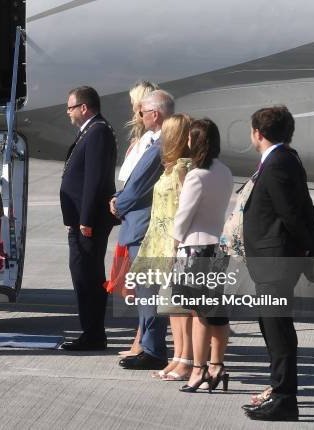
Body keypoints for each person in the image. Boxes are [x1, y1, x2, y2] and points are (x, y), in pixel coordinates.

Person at [242, 105, 314, 421]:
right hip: (271, 261)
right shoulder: (283, 158)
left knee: (278, 330)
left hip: (275, 262)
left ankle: (285, 399)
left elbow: (293, 214)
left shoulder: (278, 164)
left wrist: (309, 251)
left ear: (258, 133)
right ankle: (278, 390)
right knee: (272, 326)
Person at [169, 119, 234, 392]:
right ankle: (217, 365)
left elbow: (184, 216)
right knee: (217, 312)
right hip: (217, 247)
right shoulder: (225, 172)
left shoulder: (197, 175)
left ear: (194, 142)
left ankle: (198, 369)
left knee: (198, 313)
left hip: (195, 249)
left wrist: (173, 244)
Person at [111, 90, 173, 370]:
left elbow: (137, 188)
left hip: (144, 227)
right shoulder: (164, 142)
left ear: (155, 114)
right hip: (147, 224)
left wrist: (116, 203)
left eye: (142, 112)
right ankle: (150, 346)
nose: (139, 117)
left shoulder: (160, 145)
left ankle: (153, 350)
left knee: (148, 292)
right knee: (148, 292)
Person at [129, 114, 193, 378]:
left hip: (169, 243)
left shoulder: (183, 168)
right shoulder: (170, 166)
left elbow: (183, 210)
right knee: (164, 303)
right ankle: (176, 357)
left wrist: (175, 247)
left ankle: (184, 358)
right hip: (156, 239)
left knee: (177, 305)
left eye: (167, 133)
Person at [60, 86, 117, 351]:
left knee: (87, 276)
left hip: (89, 222)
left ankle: (93, 333)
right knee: (83, 274)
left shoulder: (97, 132)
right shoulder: (90, 132)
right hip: (82, 220)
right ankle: (91, 331)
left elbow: (94, 180)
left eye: (71, 107)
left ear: (84, 108)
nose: (68, 112)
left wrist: (85, 219)